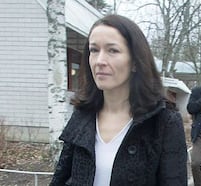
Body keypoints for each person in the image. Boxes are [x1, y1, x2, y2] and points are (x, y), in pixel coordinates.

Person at [50, 14, 187, 186]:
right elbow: (61, 178)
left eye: (112, 50)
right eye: (94, 50)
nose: (100, 61)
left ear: (135, 61)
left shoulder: (163, 122)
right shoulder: (82, 115)